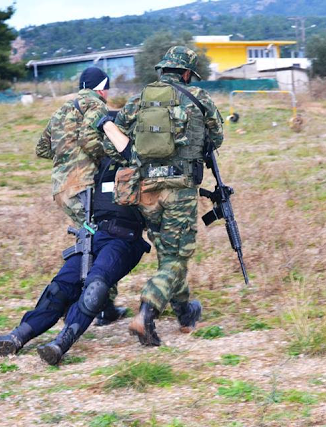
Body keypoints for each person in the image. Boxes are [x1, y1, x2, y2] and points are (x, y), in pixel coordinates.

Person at [0, 68, 150, 364]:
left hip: (123, 237)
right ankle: (16, 337)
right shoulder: (102, 157)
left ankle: (63, 341)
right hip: (95, 230)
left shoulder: (143, 160)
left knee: (95, 285)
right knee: (60, 288)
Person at [116, 46, 224, 346]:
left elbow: (117, 132)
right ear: (187, 73)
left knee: (168, 252)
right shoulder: (199, 98)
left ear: (163, 70)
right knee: (177, 256)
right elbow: (217, 138)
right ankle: (146, 312)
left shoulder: (140, 98)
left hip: (146, 189)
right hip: (180, 188)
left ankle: (185, 312)